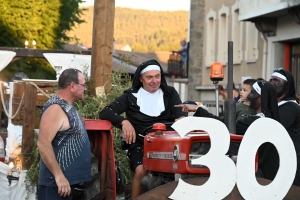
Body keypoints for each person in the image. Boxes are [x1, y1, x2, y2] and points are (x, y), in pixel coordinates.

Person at [99, 59, 185, 199]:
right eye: (149, 77)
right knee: (141, 171)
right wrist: (124, 122)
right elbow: (105, 112)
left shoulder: (170, 93)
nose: (154, 81)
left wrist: (181, 119)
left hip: (167, 145)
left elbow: (180, 114)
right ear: (141, 78)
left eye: (157, 76)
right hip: (140, 144)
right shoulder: (130, 96)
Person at [175, 80, 281, 181]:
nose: (249, 96)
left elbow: (224, 126)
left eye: (253, 93)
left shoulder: (257, 121)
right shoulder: (268, 120)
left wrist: (197, 109)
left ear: (261, 98)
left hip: (257, 175)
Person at [37, 68, 92, 199]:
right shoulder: (55, 108)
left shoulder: (67, 106)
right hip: (57, 186)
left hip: (69, 185)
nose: (85, 89)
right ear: (72, 86)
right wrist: (59, 176)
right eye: (83, 85)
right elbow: (43, 144)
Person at [269, 68, 300, 186]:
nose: (272, 83)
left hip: (289, 167)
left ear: (287, 86)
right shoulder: (276, 105)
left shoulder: (291, 107)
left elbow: (273, 128)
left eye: (276, 81)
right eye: (271, 80)